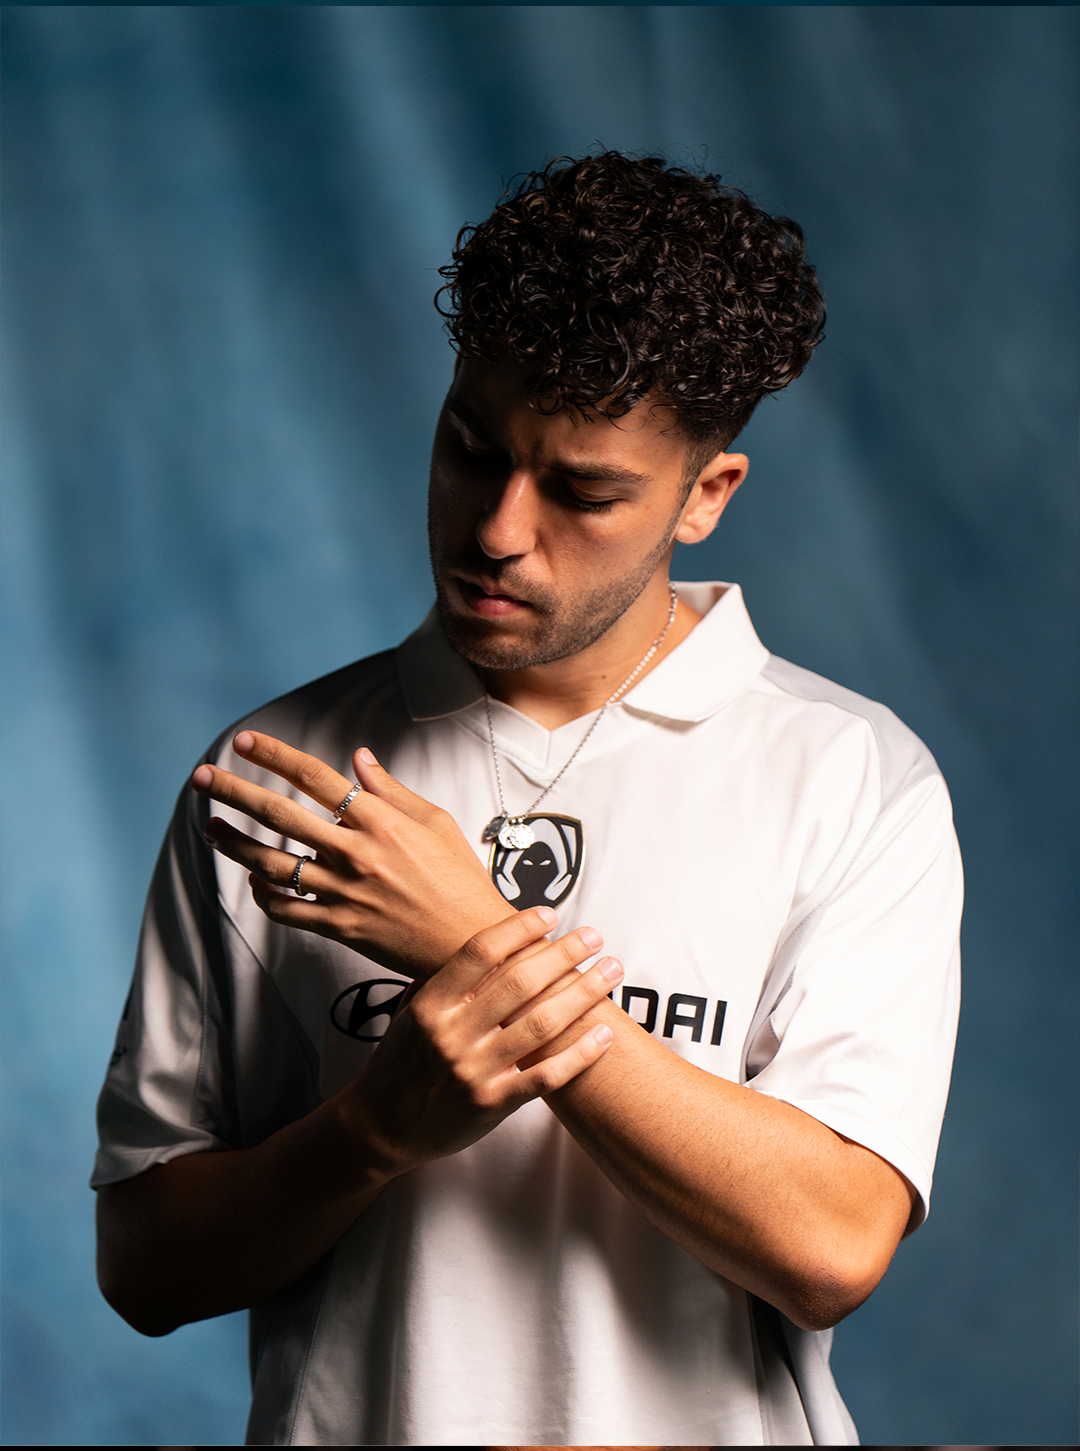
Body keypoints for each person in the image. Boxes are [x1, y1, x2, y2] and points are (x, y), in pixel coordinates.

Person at [93, 153, 962, 1447]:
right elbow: (144, 1266)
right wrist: (375, 1129)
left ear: (706, 495)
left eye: (583, 490)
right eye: (471, 449)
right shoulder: (282, 768)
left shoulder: (852, 776)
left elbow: (832, 1244)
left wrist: (474, 942)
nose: (497, 529)